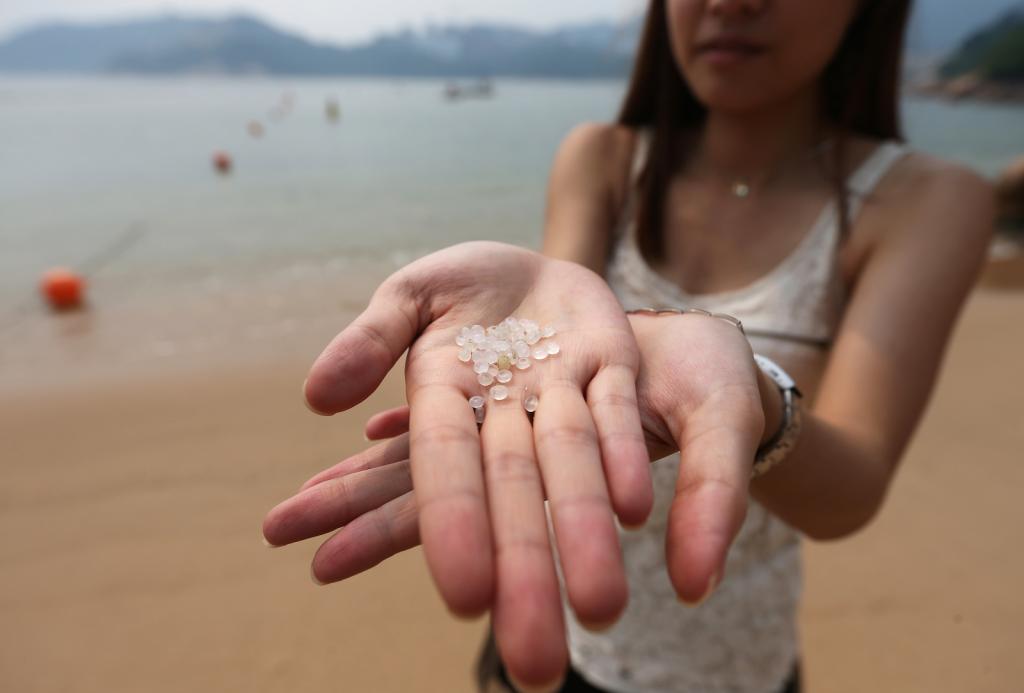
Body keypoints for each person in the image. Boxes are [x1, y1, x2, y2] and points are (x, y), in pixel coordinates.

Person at [262, 1, 995, 691]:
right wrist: (520, 330)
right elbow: (556, 320)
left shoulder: (927, 200)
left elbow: (852, 492)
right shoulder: (603, 159)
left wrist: (754, 389)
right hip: (557, 626)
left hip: (737, 663)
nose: (729, 1)